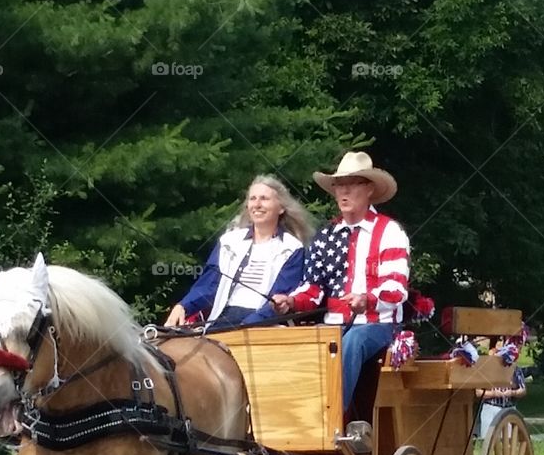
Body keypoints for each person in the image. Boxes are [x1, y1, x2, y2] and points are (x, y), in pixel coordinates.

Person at [272, 150, 410, 413]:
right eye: (339, 186)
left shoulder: (389, 231)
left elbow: (396, 287)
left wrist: (367, 299)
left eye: (351, 185)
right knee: (286, 342)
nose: (343, 192)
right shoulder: (326, 236)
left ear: (369, 189)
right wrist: (290, 301)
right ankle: (286, 419)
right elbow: (313, 288)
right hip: (332, 326)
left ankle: (332, 417)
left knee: (352, 341)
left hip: (378, 326)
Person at [164, 176, 313, 330]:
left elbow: (278, 298)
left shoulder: (292, 248)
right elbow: (208, 286)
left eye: (264, 198)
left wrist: (247, 325)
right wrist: (183, 306)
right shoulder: (229, 242)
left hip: (263, 322)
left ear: (281, 208)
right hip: (222, 317)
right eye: (252, 198)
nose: (257, 204)